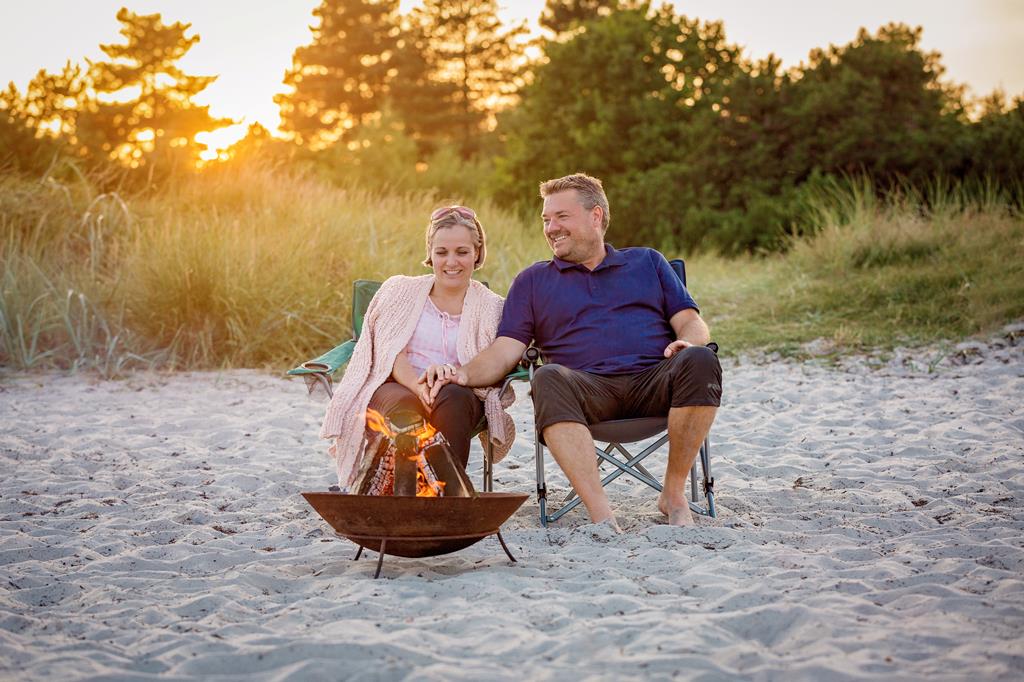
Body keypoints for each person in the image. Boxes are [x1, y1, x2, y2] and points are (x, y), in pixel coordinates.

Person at [421, 174, 721, 528]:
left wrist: (689, 342)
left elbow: (691, 322)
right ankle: (601, 514)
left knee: (701, 358)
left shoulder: (648, 263)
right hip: (584, 391)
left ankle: (673, 495)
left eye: (561, 217)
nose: (551, 228)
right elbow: (505, 349)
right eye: (546, 219)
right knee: (547, 376)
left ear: (596, 216)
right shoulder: (533, 281)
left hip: (653, 382)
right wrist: (463, 374)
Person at [320, 206, 515, 491]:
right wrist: (418, 386)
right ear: (430, 253)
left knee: (453, 398)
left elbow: (496, 360)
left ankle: (447, 494)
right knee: (406, 407)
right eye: (441, 252)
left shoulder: (493, 307)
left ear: (477, 252)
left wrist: (451, 377)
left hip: (459, 392)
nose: (451, 262)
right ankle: (401, 493)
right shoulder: (399, 291)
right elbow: (389, 351)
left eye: (462, 252)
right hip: (398, 385)